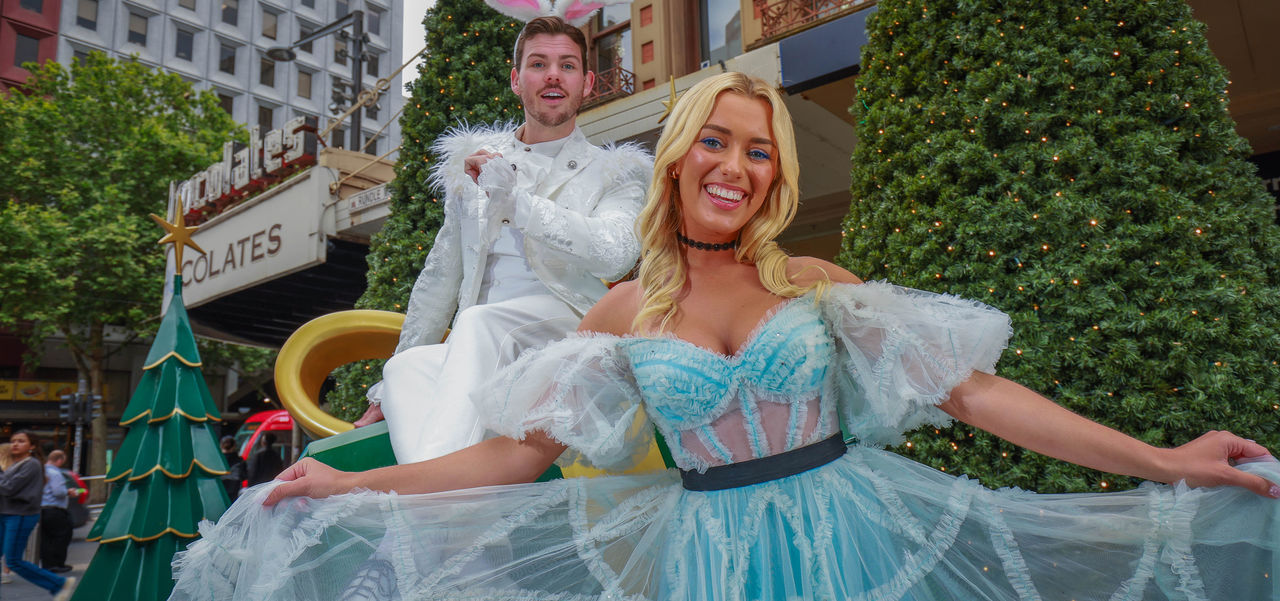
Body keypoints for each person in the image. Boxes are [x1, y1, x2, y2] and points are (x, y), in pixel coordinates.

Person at [170, 73, 1280, 601]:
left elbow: (977, 395)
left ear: (774, 173)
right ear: (676, 158)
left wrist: (1161, 459)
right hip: (709, 561)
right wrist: (347, 481)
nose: (735, 167)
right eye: (716, 141)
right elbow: (511, 457)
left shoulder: (815, 285)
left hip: (850, 540)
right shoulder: (620, 313)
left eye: (758, 150)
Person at [352, 15, 651, 465]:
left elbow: (615, 254)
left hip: (567, 335)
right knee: (405, 368)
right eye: (538, 64)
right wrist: (384, 390)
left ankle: (426, 493)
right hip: (480, 347)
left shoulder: (616, 171)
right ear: (516, 80)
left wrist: (518, 203)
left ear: (587, 83)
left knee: (480, 323)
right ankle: (443, 489)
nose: (553, 75)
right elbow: (439, 279)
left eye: (568, 66)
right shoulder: (474, 164)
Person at [0, 432, 75, 600]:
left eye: (21, 441)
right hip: (6, 513)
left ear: (32, 446)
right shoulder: (15, 464)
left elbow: (8, 488)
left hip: (19, 515)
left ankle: (58, 584)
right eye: (13, 441)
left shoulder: (31, 464)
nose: (15, 444)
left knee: (13, 561)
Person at [38, 450, 73, 573]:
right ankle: (58, 563)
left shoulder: (42, 471)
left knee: (46, 538)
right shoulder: (55, 473)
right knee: (61, 536)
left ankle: (47, 564)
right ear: (59, 460)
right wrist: (68, 491)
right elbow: (58, 492)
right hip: (54, 509)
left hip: (42, 508)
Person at [219, 436, 245, 502]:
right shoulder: (239, 460)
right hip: (234, 490)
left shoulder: (217, 459)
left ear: (221, 446)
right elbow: (244, 475)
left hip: (219, 489)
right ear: (234, 446)